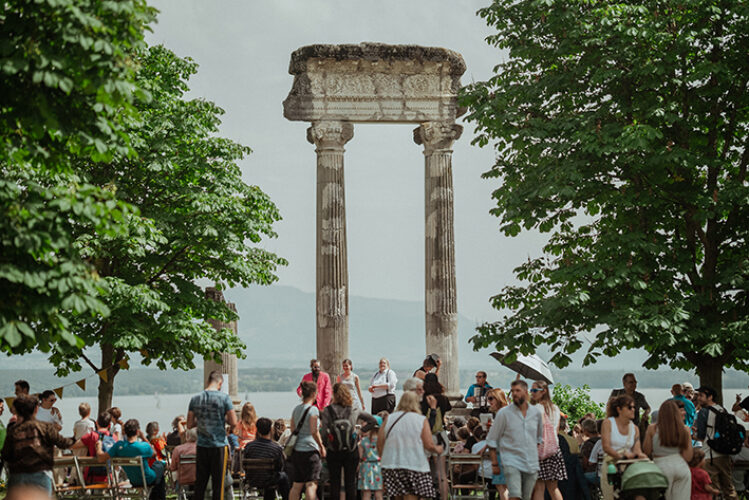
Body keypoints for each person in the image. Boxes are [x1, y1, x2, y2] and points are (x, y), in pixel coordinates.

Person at [0, 394, 75, 494]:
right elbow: (63, 443)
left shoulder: (13, 430)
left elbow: (6, 454)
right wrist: (75, 438)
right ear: (36, 409)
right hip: (40, 473)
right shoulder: (46, 427)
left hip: (18, 476)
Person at [377, 391, 443, 500]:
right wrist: (438, 449)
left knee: (397, 496)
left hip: (391, 464)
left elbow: (380, 443)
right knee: (411, 496)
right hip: (413, 464)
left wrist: (383, 459)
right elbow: (429, 444)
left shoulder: (389, 418)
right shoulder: (421, 420)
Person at [486, 379, 544, 500]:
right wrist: (495, 463)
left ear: (525, 392)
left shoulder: (535, 413)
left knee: (525, 495)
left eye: (518, 390)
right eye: (513, 391)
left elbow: (538, 439)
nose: (515, 394)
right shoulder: (504, 413)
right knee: (514, 493)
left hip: (529, 462)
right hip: (509, 459)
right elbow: (492, 440)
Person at [187, 369, 238, 500]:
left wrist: (203, 419)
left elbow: (189, 424)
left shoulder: (195, 399)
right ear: (220, 383)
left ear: (208, 381)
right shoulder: (224, 398)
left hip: (202, 445)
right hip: (218, 445)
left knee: (201, 483)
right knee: (218, 484)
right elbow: (233, 422)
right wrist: (222, 418)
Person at [100, 418, 166, 500]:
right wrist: (144, 438)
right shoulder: (143, 446)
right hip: (147, 479)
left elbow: (101, 458)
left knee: (158, 477)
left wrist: (98, 447)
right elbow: (154, 453)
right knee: (159, 465)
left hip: (133, 480)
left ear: (125, 432)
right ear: (137, 432)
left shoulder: (118, 446)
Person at [694, 385, 739, 500]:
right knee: (728, 487)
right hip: (724, 453)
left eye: (701, 396)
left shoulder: (703, 412)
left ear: (710, 397)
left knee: (713, 488)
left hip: (709, 455)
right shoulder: (721, 409)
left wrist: (692, 435)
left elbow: (701, 436)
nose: (698, 398)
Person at [599, 394, 647, 500]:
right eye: (629, 407)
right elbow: (606, 446)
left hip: (628, 468)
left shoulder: (634, 428)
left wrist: (645, 458)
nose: (633, 410)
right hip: (611, 466)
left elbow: (637, 450)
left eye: (634, 407)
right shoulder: (608, 423)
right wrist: (621, 456)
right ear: (619, 409)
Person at [642, 400, 692, 500]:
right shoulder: (685, 429)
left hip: (661, 466)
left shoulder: (653, 428)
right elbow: (688, 456)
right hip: (681, 466)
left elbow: (647, 451)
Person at [321, 383, 360, 500]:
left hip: (334, 449)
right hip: (351, 449)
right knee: (350, 482)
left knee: (335, 482)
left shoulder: (328, 411)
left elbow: (323, 432)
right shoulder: (353, 409)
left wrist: (325, 444)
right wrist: (359, 432)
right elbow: (372, 420)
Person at [529, 380, 566, 500]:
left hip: (538, 450)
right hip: (553, 449)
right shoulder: (555, 408)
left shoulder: (536, 408)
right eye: (531, 390)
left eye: (535, 390)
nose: (532, 393)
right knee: (553, 487)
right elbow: (555, 430)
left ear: (543, 391)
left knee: (539, 487)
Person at [289, 380, 326, 500]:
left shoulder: (296, 409)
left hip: (297, 451)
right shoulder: (313, 410)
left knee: (296, 485)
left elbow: (293, 428)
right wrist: (321, 446)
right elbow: (314, 431)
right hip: (310, 449)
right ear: (314, 394)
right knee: (311, 484)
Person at [420, 373, 452, 500]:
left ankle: (424, 497)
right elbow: (447, 410)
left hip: (426, 435)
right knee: (442, 474)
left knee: (424, 471)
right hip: (440, 435)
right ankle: (444, 497)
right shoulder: (443, 399)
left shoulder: (423, 399)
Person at [242, 417, 289, 500]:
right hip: (270, 480)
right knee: (283, 476)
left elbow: (244, 464)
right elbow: (280, 466)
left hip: (252, 479)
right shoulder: (275, 448)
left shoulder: (249, 446)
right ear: (271, 430)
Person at [77, 412, 114, 485]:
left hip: (92, 477)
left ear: (96, 423)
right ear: (109, 425)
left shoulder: (92, 436)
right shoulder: (113, 438)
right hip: (109, 477)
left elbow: (75, 445)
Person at [357, 414, 383, 500]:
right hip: (379, 467)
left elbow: (360, 456)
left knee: (366, 494)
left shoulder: (363, 441)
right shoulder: (381, 440)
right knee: (378, 494)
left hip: (366, 467)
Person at [170, 428, 198, 494]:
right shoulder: (202, 449)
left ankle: (176, 492)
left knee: (174, 474)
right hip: (200, 480)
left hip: (183, 480)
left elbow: (173, 467)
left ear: (187, 436)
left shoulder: (178, 449)